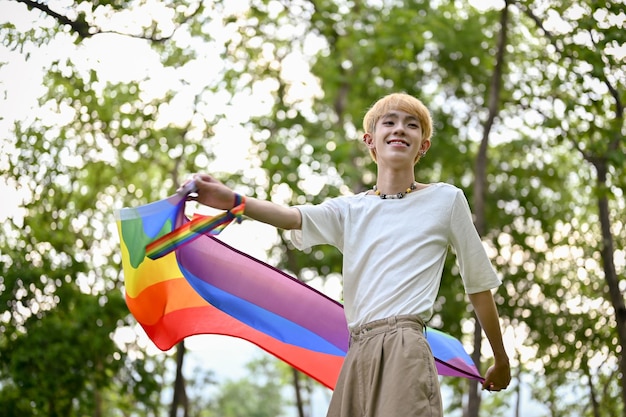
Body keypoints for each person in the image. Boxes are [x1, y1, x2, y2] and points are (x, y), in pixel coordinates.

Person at [192, 92, 511, 416]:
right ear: (370, 141)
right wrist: (233, 199)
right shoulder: (350, 210)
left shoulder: (446, 200)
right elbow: (291, 216)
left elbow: (478, 285)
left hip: (405, 348)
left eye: (411, 125)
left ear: (423, 145)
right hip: (357, 351)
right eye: (390, 122)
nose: (400, 129)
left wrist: (500, 359)